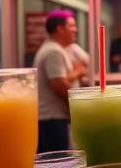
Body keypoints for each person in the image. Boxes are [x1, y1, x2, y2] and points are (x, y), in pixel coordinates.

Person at [34, 10, 87, 153]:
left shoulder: (56, 49)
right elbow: (58, 84)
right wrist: (81, 107)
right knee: (57, 165)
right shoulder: (53, 51)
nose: (75, 30)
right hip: (52, 120)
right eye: (72, 26)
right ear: (60, 28)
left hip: (53, 118)